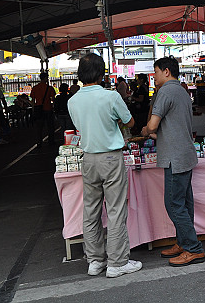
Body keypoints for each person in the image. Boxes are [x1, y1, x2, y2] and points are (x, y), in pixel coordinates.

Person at [67, 53, 141, 278]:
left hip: (88, 158)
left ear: (81, 74)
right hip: (110, 157)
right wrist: (114, 121)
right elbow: (130, 121)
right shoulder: (111, 97)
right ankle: (117, 262)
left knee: (91, 210)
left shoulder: (73, 101)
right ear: (101, 74)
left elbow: (81, 126)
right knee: (115, 209)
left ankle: (95, 260)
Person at [142, 57, 205, 267]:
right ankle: (183, 242)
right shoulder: (182, 91)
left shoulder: (166, 91)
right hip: (185, 153)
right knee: (185, 203)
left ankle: (193, 248)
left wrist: (146, 130)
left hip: (175, 157)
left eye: (156, 72)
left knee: (174, 204)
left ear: (166, 72)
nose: (154, 76)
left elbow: (152, 125)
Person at [31, 72, 57, 145]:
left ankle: (39, 142)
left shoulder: (35, 88)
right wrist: (53, 107)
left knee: (39, 127)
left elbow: (33, 100)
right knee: (50, 126)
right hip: (48, 108)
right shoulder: (49, 88)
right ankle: (51, 141)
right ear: (45, 78)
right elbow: (53, 99)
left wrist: (33, 109)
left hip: (38, 109)